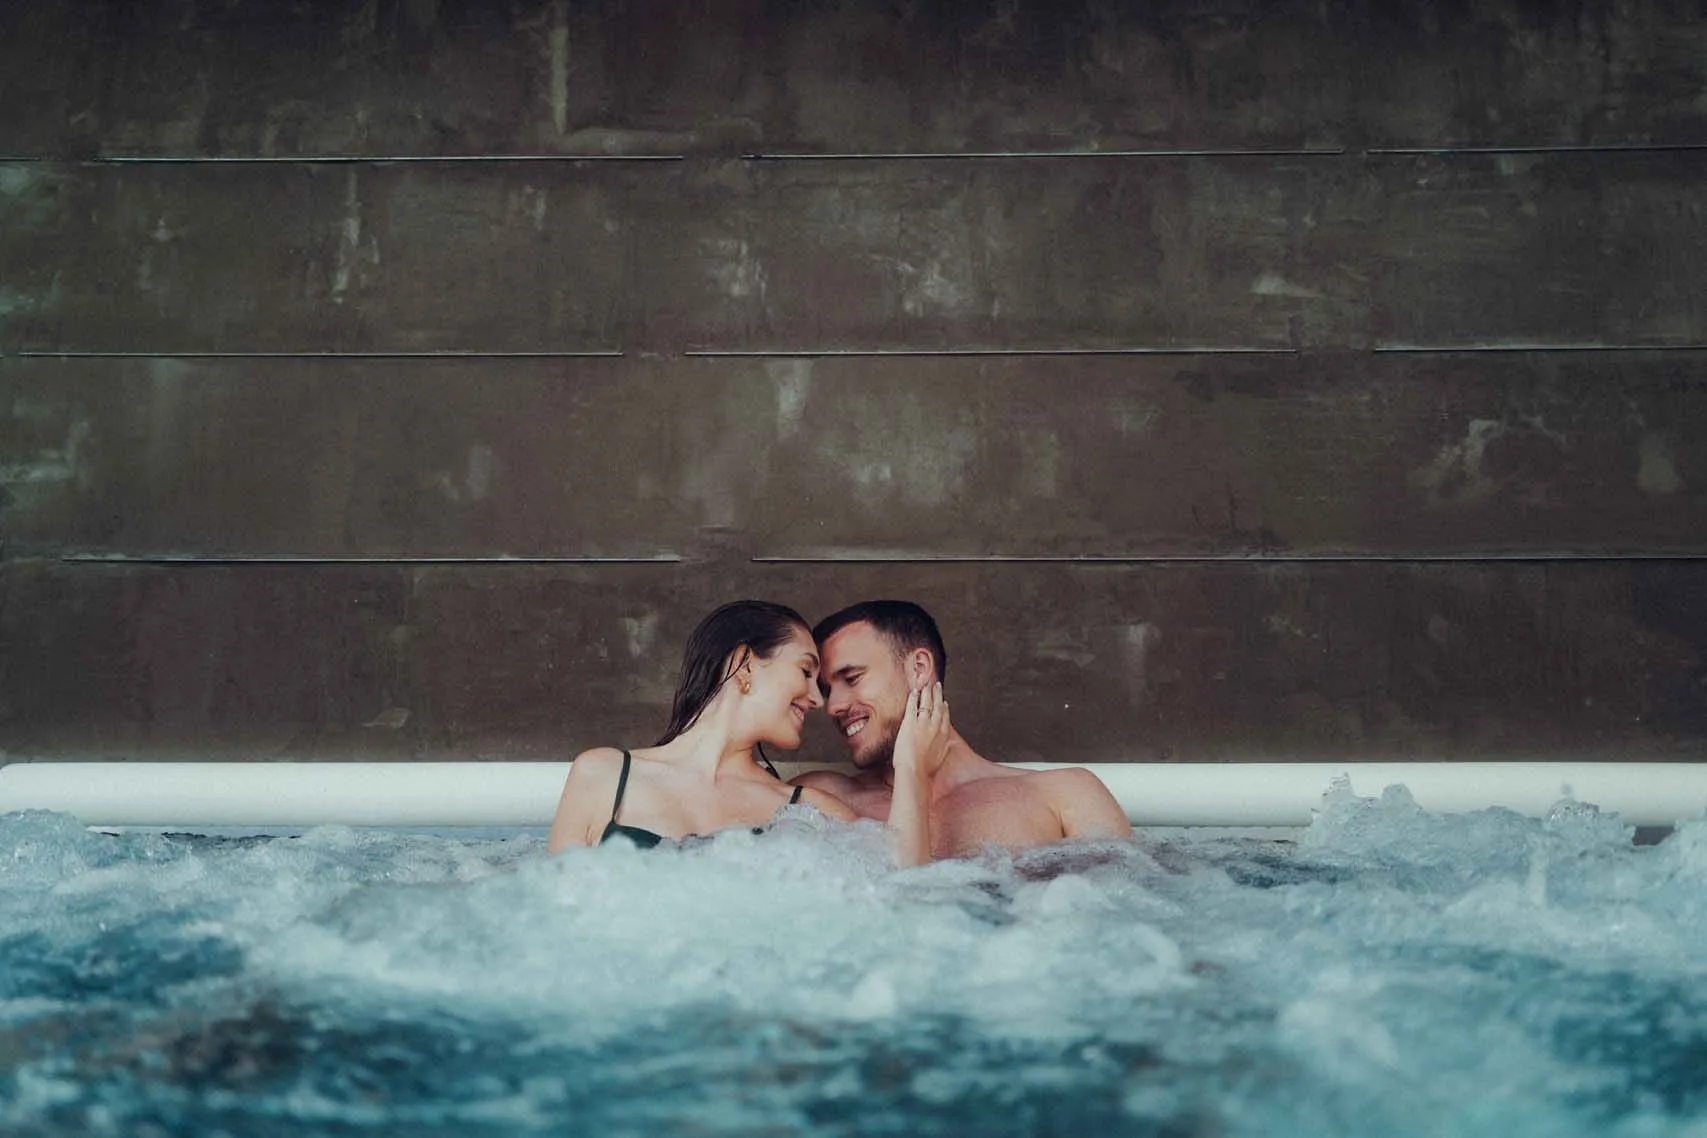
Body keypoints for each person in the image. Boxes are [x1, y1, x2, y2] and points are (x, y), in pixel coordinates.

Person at [547, 599, 948, 864]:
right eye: (806, 672)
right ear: (744, 665)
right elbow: (547, 917)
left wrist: (910, 765)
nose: (818, 700)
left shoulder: (807, 811)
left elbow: (904, 898)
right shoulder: (602, 774)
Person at [795, 600, 1132, 860]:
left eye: (852, 679)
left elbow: (1122, 920)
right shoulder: (819, 800)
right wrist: (910, 770)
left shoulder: (1063, 794)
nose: (833, 706)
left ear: (919, 669)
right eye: (827, 690)